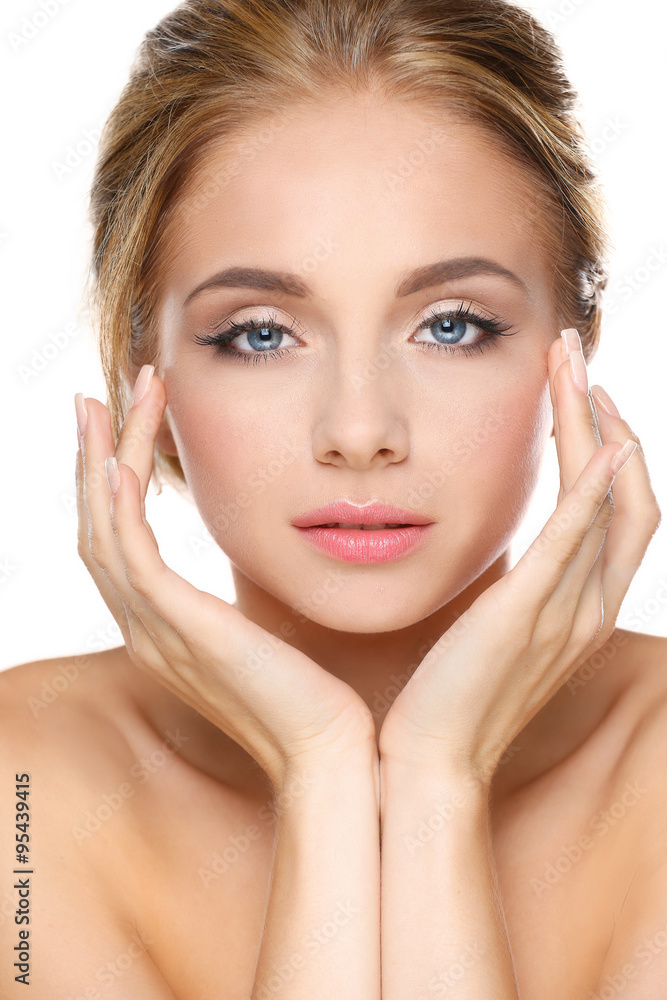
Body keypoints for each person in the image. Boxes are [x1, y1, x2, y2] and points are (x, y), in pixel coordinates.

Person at [2, 0, 665, 996]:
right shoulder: (21, 784)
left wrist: (436, 778)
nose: (358, 431)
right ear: (147, 363)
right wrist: (322, 770)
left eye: (450, 325)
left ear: (572, 345)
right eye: (260, 332)